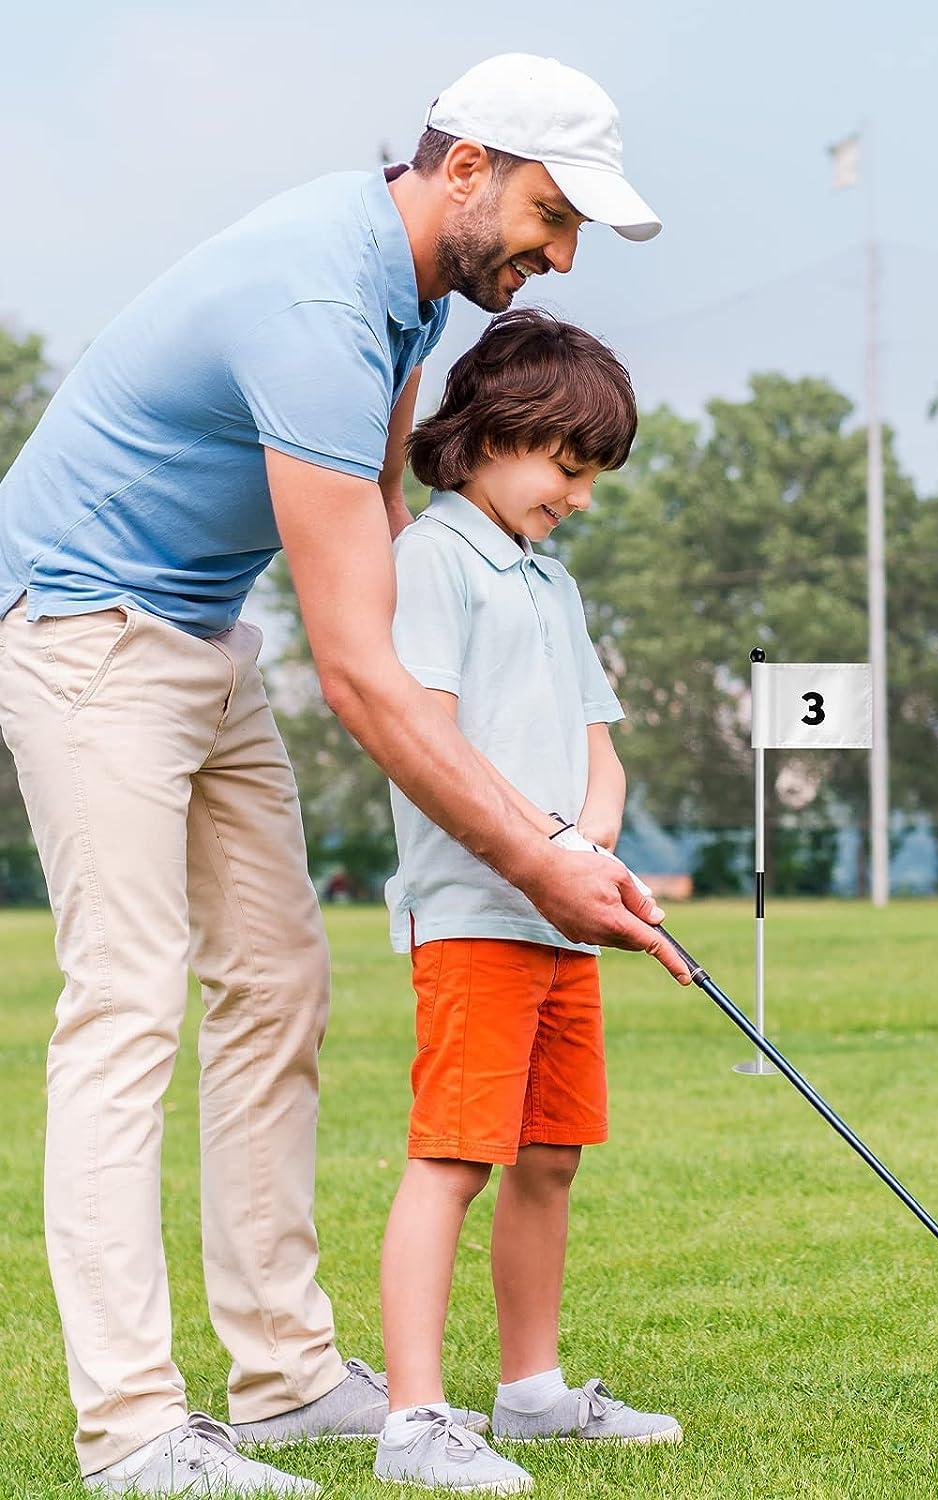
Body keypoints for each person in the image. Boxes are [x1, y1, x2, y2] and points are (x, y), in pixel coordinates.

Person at [0, 53, 688, 1498]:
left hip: (201, 633)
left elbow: (377, 508)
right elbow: (365, 675)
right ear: (465, 168)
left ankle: (285, 1377)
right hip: (80, 629)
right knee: (127, 1002)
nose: (562, 256)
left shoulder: (414, 292)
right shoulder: (318, 299)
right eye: (554, 216)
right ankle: (132, 1429)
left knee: (279, 983)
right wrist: (541, 857)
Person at [372, 310, 680, 1494]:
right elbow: (430, 736)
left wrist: (589, 846)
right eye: (569, 465)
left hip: (562, 921)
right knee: (455, 1159)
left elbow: (602, 748)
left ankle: (532, 1393)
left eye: (595, 474)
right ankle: (414, 1421)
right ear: (497, 433)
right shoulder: (432, 563)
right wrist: (549, 848)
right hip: (471, 917)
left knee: (550, 1156)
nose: (582, 497)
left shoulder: (553, 582)